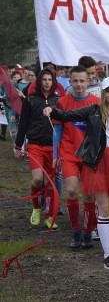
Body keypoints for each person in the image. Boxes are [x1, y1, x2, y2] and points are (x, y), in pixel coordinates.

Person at [45, 76, 109, 269]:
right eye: (108, 91)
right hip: (98, 162)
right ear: (103, 93)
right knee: (104, 209)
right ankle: (108, 256)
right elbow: (68, 116)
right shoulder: (94, 111)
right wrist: (52, 110)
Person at [53, 66, 100, 248]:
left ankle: (88, 232)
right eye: (75, 81)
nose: (79, 84)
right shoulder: (63, 102)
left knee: (89, 195)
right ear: (70, 82)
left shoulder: (96, 102)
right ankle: (75, 231)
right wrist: (55, 154)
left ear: (88, 81)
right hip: (69, 152)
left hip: (89, 154)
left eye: (82, 81)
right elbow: (57, 129)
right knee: (72, 191)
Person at [14, 69, 60, 229]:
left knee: (50, 182)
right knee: (38, 179)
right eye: (44, 79)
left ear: (53, 81)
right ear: (39, 81)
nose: (47, 82)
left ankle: (49, 216)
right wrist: (18, 146)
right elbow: (23, 124)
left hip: (53, 146)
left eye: (49, 79)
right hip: (34, 144)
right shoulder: (30, 100)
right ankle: (36, 207)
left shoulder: (59, 100)